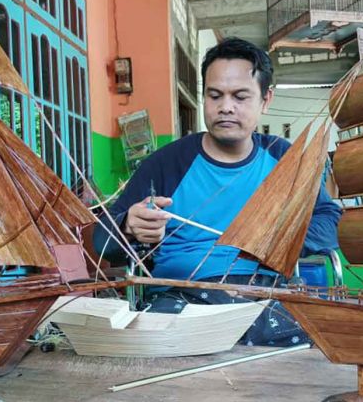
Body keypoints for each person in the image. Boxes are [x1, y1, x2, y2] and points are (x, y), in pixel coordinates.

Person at [93, 37, 342, 347]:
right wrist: (127, 225)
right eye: (215, 96)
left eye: (240, 96)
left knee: (314, 349)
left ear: (266, 99)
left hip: (266, 294)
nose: (226, 107)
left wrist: (281, 240)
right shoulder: (167, 163)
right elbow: (101, 240)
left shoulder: (283, 159)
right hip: (182, 296)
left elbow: (329, 218)